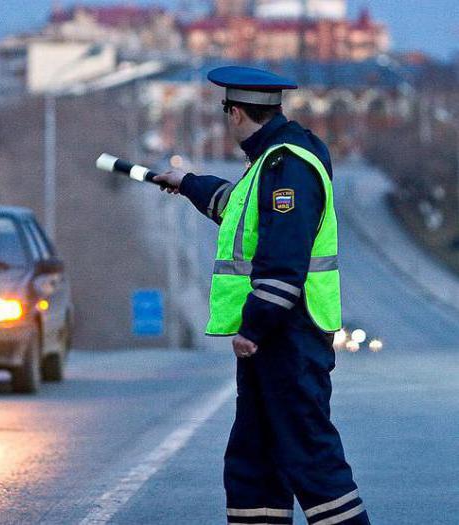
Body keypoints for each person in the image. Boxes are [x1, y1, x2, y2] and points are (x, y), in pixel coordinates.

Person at [154, 66, 371, 525]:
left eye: (225, 111)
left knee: (310, 457)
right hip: (279, 337)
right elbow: (238, 210)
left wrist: (253, 328)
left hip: (288, 335)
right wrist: (187, 182)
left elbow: (283, 257)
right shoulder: (274, 160)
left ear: (234, 112)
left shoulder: (286, 164)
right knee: (254, 459)